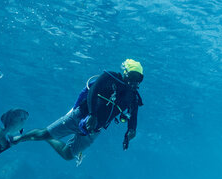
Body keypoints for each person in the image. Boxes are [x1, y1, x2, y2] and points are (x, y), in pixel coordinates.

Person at [11, 59, 144, 161]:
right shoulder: (110, 77)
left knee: (68, 155)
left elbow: (133, 117)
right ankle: (19, 138)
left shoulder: (133, 97)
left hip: (93, 131)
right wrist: (92, 114)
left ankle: (50, 139)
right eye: (133, 76)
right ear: (125, 72)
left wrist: (130, 132)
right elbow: (93, 90)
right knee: (43, 134)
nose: (135, 82)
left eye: (139, 79)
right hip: (80, 116)